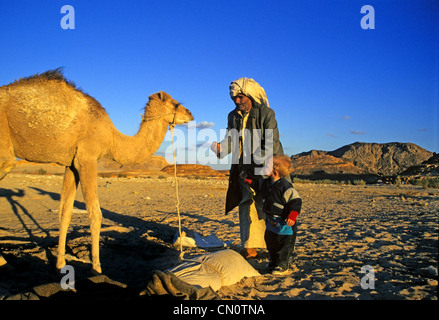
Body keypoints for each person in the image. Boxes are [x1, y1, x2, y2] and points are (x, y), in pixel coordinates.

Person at [210, 77, 284, 259]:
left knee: (272, 205)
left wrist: (266, 167)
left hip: (267, 166)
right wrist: (220, 148)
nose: (237, 101)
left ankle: (278, 246)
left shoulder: (266, 114)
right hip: (243, 168)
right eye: (234, 97)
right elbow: (231, 140)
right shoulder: (233, 116)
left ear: (250, 95)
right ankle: (250, 246)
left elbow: (271, 142)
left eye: (241, 97)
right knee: (246, 204)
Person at [241, 155, 302, 275]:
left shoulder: (285, 187)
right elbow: (257, 185)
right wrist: (247, 180)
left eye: (267, 165)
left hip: (284, 224)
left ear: (275, 170)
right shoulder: (266, 183)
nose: (264, 166)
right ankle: (274, 262)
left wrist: (292, 215)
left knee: (283, 246)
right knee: (271, 244)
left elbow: (295, 201)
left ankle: (282, 265)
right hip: (270, 223)